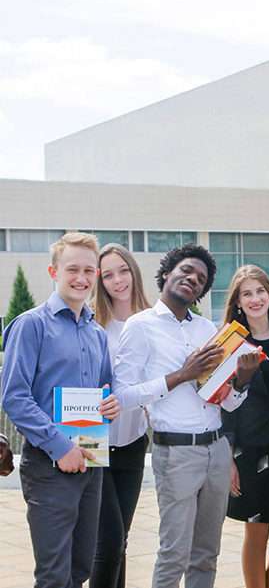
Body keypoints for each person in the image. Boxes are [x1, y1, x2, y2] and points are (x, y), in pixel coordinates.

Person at [112, 242, 250, 588]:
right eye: (186, 270)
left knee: (207, 553)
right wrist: (181, 375)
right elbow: (122, 395)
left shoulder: (207, 330)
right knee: (174, 553)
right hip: (176, 453)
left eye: (201, 279)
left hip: (216, 449)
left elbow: (226, 402)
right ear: (166, 273)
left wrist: (242, 382)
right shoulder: (140, 325)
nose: (193, 279)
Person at [1, 231, 119, 588]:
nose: (81, 278)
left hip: (91, 461)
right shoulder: (31, 325)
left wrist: (111, 404)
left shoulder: (96, 333)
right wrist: (60, 446)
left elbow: (104, 390)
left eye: (88, 270)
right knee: (54, 576)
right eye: (72, 269)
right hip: (49, 466)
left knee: (80, 570)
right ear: (54, 272)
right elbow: (14, 397)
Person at [221, 265, 269, 588]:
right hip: (250, 447)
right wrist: (227, 456)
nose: (255, 299)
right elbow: (222, 403)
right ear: (238, 301)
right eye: (247, 294)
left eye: (259, 291)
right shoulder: (230, 341)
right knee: (256, 532)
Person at [89, 243, 151, 588]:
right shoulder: (93, 325)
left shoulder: (152, 322)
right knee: (108, 543)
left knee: (120, 541)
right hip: (93, 444)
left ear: (134, 272)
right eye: (108, 275)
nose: (118, 281)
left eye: (123, 271)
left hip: (133, 443)